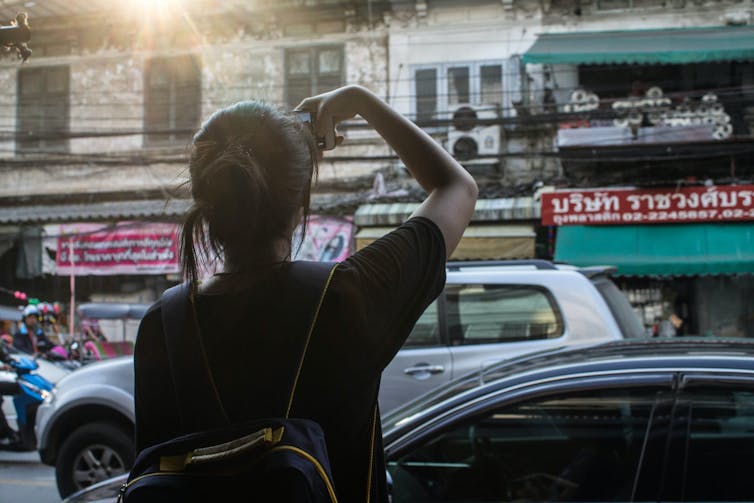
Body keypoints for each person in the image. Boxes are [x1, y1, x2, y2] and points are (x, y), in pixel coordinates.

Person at [133, 84, 478, 502]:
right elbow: (456, 187)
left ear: (207, 207)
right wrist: (359, 101)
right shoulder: (349, 297)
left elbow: (154, 465)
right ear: (300, 208)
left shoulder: (160, 326)